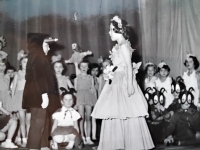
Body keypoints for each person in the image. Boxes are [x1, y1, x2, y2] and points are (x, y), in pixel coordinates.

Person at [91, 16, 154, 150]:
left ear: (119, 30)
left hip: (124, 82)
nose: (109, 33)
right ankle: (116, 144)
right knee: (115, 113)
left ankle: (131, 144)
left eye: (111, 30)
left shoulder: (124, 46)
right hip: (116, 81)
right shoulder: (118, 46)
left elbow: (129, 66)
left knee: (127, 112)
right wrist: (110, 72)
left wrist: (130, 84)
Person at [22, 33, 61, 150]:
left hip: (38, 93)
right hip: (38, 94)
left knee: (44, 120)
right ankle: (33, 147)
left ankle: (43, 145)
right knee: (38, 121)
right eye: (46, 45)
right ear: (39, 45)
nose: (49, 48)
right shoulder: (38, 57)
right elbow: (39, 77)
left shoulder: (38, 57)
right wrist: (44, 95)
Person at [74, 60, 97, 145]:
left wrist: (95, 100)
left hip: (88, 97)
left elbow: (93, 89)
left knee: (88, 118)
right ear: (79, 68)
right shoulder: (76, 78)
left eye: (85, 66)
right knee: (81, 118)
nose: (84, 68)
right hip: (80, 97)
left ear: (88, 68)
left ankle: (88, 137)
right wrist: (75, 102)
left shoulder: (91, 78)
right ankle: (82, 137)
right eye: (82, 66)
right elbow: (75, 90)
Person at [11, 50, 30, 147]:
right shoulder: (17, 74)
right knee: (22, 120)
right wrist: (12, 100)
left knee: (28, 121)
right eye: (24, 62)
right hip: (19, 98)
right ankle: (24, 139)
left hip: (29, 98)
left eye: (28, 62)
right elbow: (14, 87)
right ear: (20, 63)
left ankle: (28, 138)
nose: (26, 64)